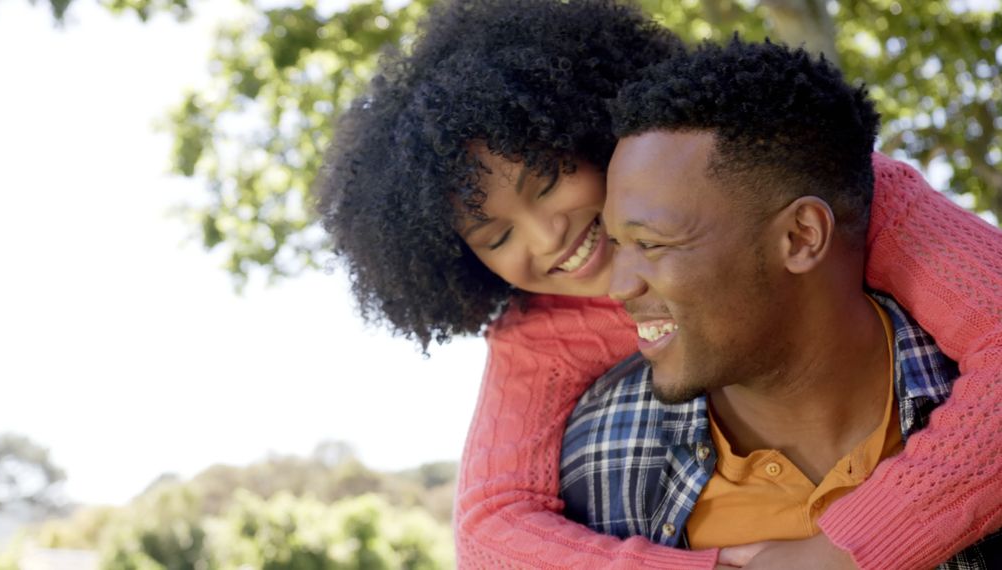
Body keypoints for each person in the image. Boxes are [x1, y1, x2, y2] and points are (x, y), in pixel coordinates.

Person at [315, 0, 1002, 567]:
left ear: (592, 125)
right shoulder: (536, 335)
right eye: (497, 238)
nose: (546, 236)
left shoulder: (842, 197)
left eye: (550, 180)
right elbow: (492, 532)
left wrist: (850, 551)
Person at [559, 37, 1000, 569]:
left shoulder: (966, 385)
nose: (619, 286)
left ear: (800, 236)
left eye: (651, 243)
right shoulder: (595, 456)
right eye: (615, 243)